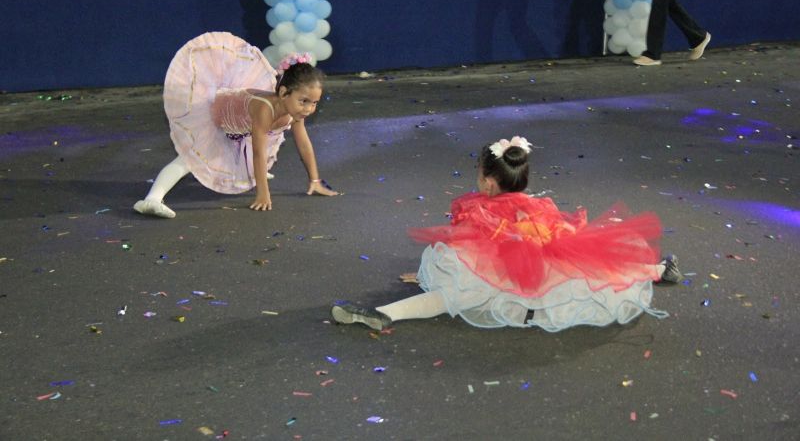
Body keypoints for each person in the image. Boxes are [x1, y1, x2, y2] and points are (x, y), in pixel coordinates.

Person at [331, 136, 682, 332]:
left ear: (488, 180)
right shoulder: (537, 206)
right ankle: (659, 270)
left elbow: (466, 245)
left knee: (456, 292)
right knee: (592, 265)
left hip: (506, 277)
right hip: (542, 273)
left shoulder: (481, 209)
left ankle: (386, 313)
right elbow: (564, 243)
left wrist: (432, 274)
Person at [134, 31, 337, 218]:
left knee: (249, 149)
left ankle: (249, 171)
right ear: (283, 93)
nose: (309, 109)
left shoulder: (296, 112)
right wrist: (263, 193)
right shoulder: (265, 110)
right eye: (304, 101)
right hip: (218, 115)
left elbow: (303, 144)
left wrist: (315, 180)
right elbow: (258, 153)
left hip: (243, 125)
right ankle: (151, 199)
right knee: (190, 159)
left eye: (315, 103)